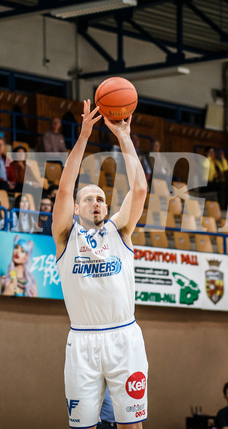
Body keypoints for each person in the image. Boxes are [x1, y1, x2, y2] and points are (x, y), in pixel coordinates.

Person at [53, 100, 149, 429]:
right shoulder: (66, 235)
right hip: (82, 341)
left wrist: (124, 136)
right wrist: (83, 137)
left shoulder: (119, 229)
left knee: (131, 426)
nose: (96, 202)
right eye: (89, 198)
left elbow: (139, 189)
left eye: (101, 199)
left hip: (124, 337)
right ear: (77, 207)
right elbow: (64, 188)